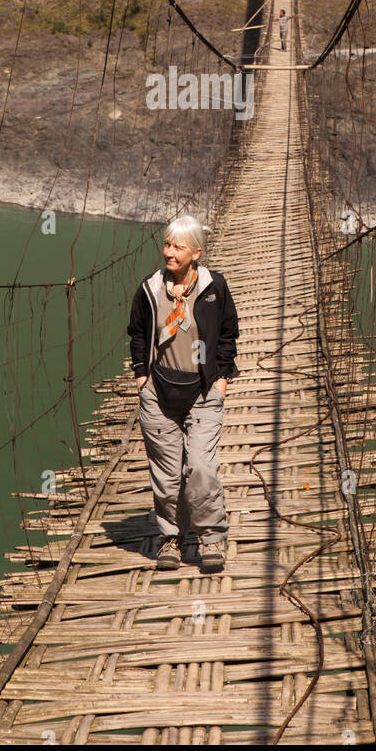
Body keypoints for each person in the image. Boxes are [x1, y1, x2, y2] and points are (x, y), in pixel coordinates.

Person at [127, 214, 240, 574]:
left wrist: (221, 378)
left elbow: (227, 333)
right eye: (166, 244)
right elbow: (137, 334)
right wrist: (141, 378)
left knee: (201, 468)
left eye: (177, 247)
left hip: (203, 391)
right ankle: (171, 538)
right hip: (159, 392)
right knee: (167, 474)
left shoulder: (214, 288)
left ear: (196, 252)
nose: (169, 253)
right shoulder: (150, 289)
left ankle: (211, 538)